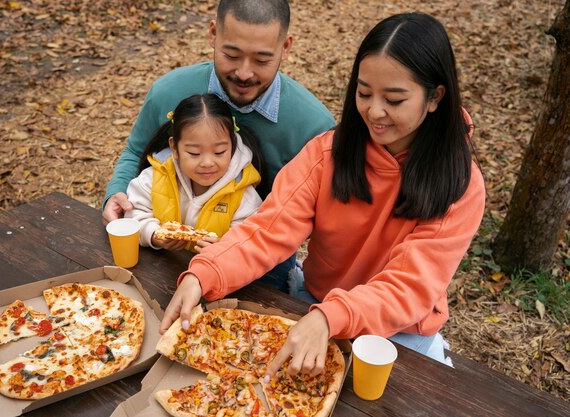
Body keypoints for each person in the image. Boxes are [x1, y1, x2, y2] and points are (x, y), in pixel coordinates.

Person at [159, 12, 486, 380]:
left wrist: (331, 317)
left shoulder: (460, 183)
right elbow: (268, 230)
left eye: (394, 99)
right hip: (314, 304)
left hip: (399, 333)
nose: (374, 112)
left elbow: (409, 288)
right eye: (364, 93)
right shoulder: (327, 154)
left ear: (435, 97)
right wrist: (204, 274)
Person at [103, 0, 335, 291]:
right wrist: (116, 192)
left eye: (262, 60)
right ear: (213, 34)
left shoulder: (313, 126)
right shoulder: (168, 92)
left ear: (285, 47)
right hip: (165, 245)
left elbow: (317, 214)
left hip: (260, 263)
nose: (244, 73)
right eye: (231, 54)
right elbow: (137, 152)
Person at [125, 94, 263, 253]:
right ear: (174, 148)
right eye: (194, 153)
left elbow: (249, 239)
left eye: (219, 152)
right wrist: (153, 233)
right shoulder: (154, 178)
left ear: (232, 146)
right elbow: (134, 215)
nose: (207, 163)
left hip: (212, 273)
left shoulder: (242, 194)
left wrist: (224, 249)